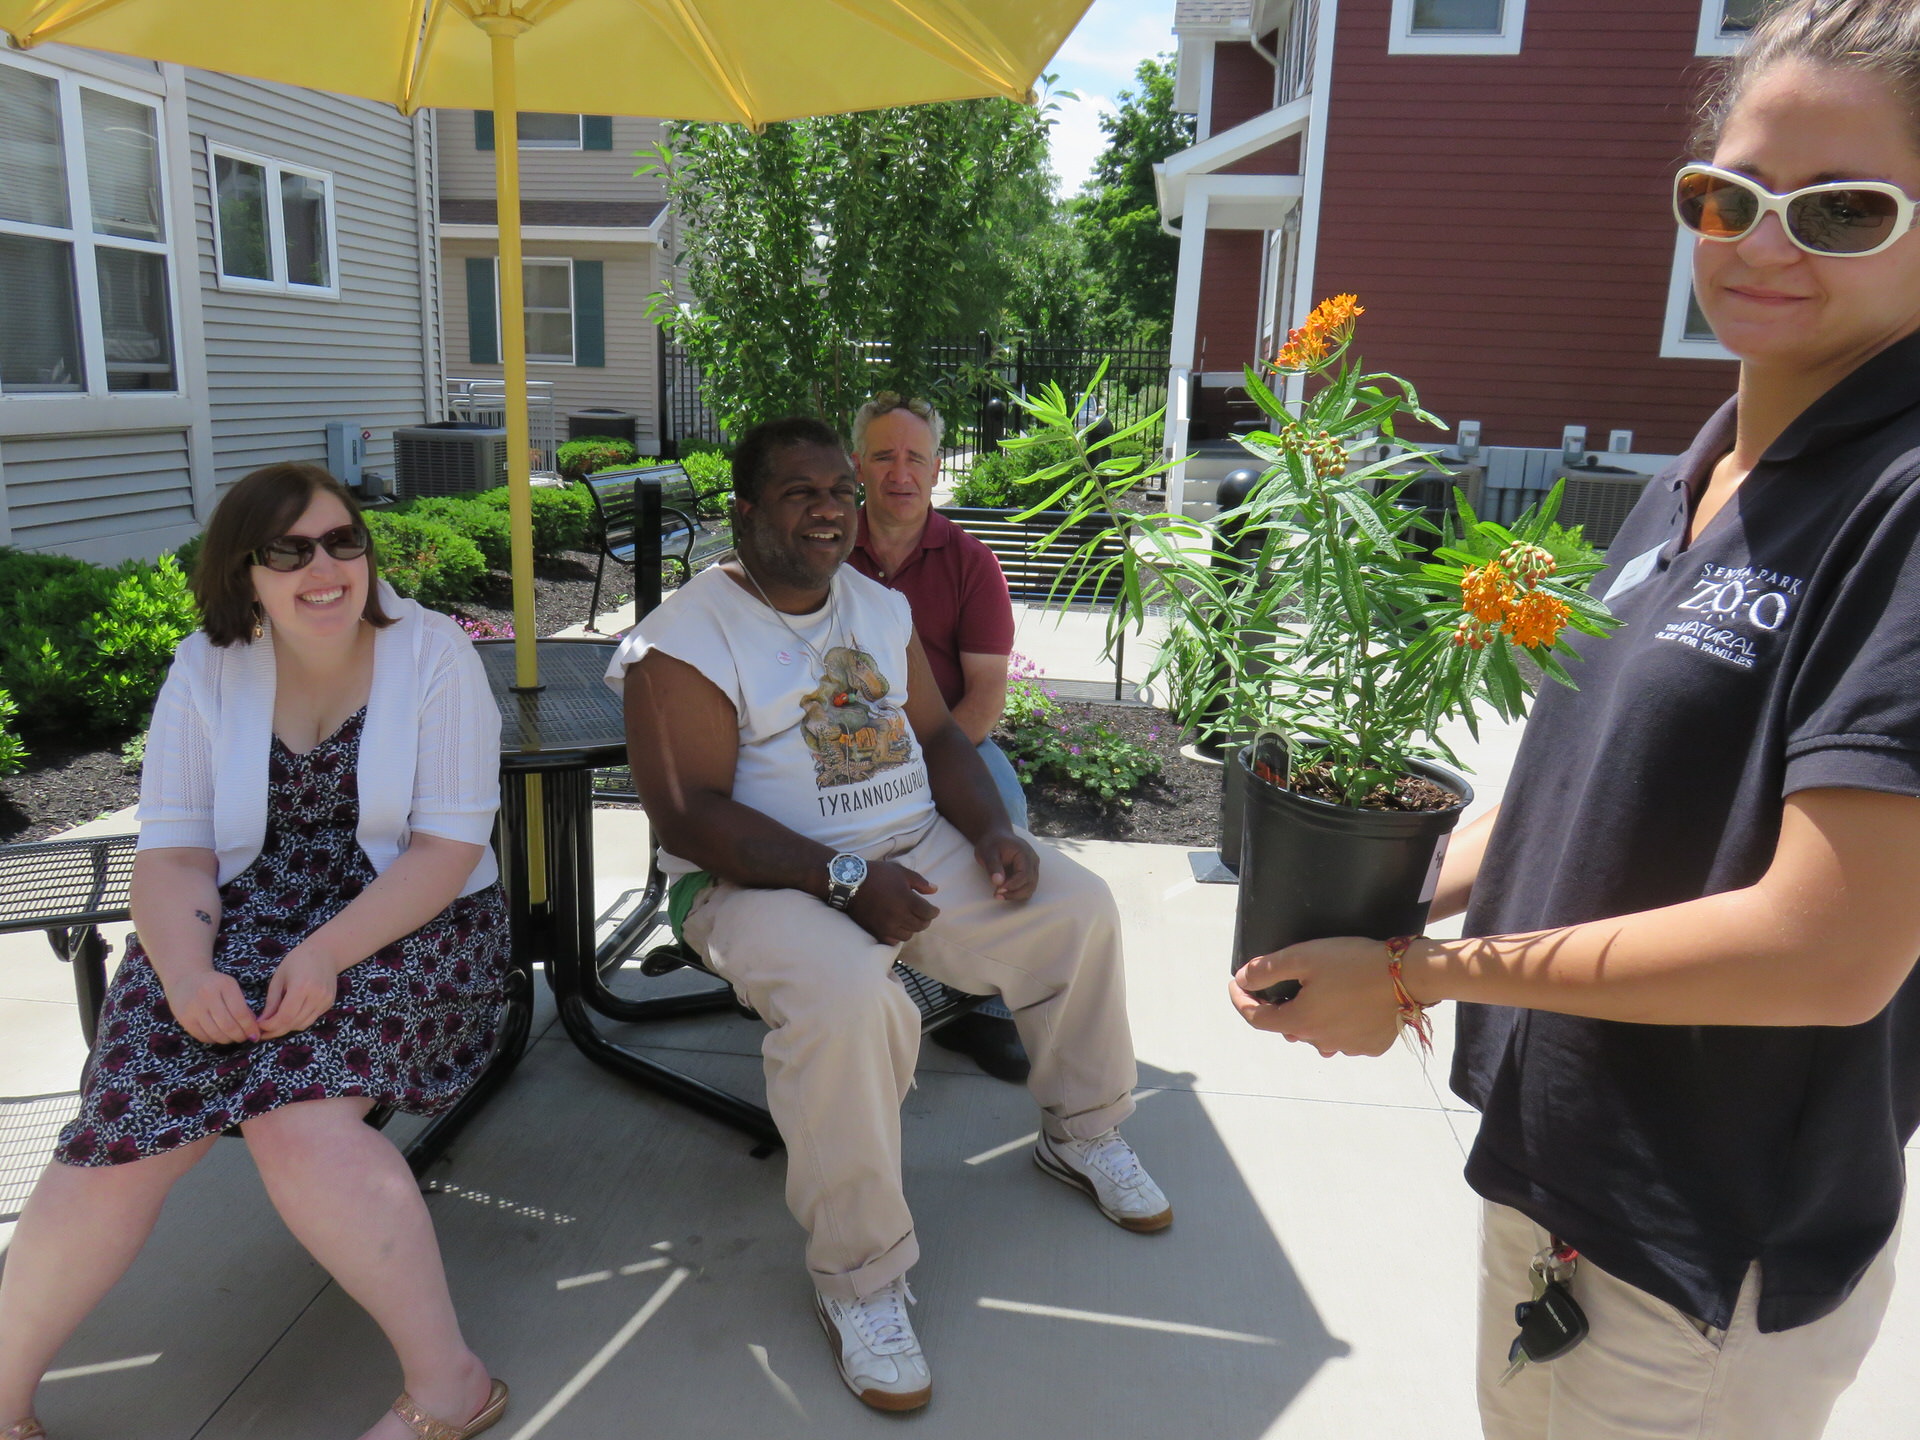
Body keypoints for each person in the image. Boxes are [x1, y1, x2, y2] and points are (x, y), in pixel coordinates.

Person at [1229, 4, 1920, 1436]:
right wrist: (1375, 900)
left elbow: (1831, 947)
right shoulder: (1706, 476)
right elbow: (1580, 799)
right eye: (1726, 196)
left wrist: (1418, 978)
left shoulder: (1898, 505)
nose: (1762, 241)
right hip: (1570, 1197)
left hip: (1691, 1251)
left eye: (1842, 209)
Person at [610, 416, 1170, 1414]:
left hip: (911, 847)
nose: (830, 509)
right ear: (743, 511)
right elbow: (688, 815)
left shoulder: (873, 605)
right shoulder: (681, 641)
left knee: (1074, 906)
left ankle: (1082, 1130)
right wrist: (838, 880)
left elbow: (940, 738)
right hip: (753, 882)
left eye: (839, 490)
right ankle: (861, 1280)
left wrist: (996, 830)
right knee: (847, 1002)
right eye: (799, 492)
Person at [0, 464, 511, 1440]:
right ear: (245, 573)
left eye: (342, 541)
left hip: (403, 921)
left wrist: (323, 954)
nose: (324, 567)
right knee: (124, 1127)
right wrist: (188, 974)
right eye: (290, 550)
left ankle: (452, 1387)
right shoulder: (206, 665)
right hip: (227, 918)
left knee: (299, 1124)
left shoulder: (434, 655)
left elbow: (447, 851)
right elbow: (177, 850)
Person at [847, 391, 1031, 1084]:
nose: (901, 471)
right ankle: (857, 977)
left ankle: (987, 1000)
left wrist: (924, 764)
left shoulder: (970, 562)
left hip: (951, 738)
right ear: (858, 463)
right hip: (840, 743)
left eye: (916, 457)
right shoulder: (826, 551)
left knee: (1006, 818)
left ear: (935, 469)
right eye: (885, 455)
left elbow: (986, 692)